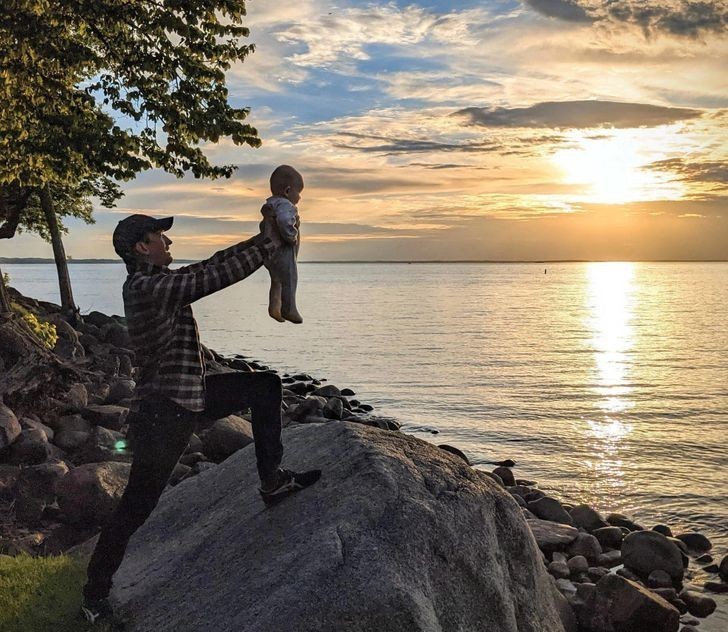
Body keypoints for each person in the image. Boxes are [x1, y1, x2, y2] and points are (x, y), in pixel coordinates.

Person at [81, 214, 321, 625]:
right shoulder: (147, 288)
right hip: (163, 411)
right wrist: (268, 248)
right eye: (160, 235)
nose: (167, 240)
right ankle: (94, 595)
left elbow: (211, 264)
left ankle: (272, 480)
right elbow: (210, 280)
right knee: (136, 507)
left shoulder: (161, 281)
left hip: (192, 392)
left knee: (265, 386)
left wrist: (263, 237)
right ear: (142, 246)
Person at [260, 165, 304, 324]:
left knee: (276, 281)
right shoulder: (286, 206)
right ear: (287, 191)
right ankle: (289, 309)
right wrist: (291, 236)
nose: (299, 198)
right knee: (290, 278)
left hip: (269, 252)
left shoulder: (270, 204)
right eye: (298, 193)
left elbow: (264, 225)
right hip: (282, 251)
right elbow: (285, 222)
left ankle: (275, 308)